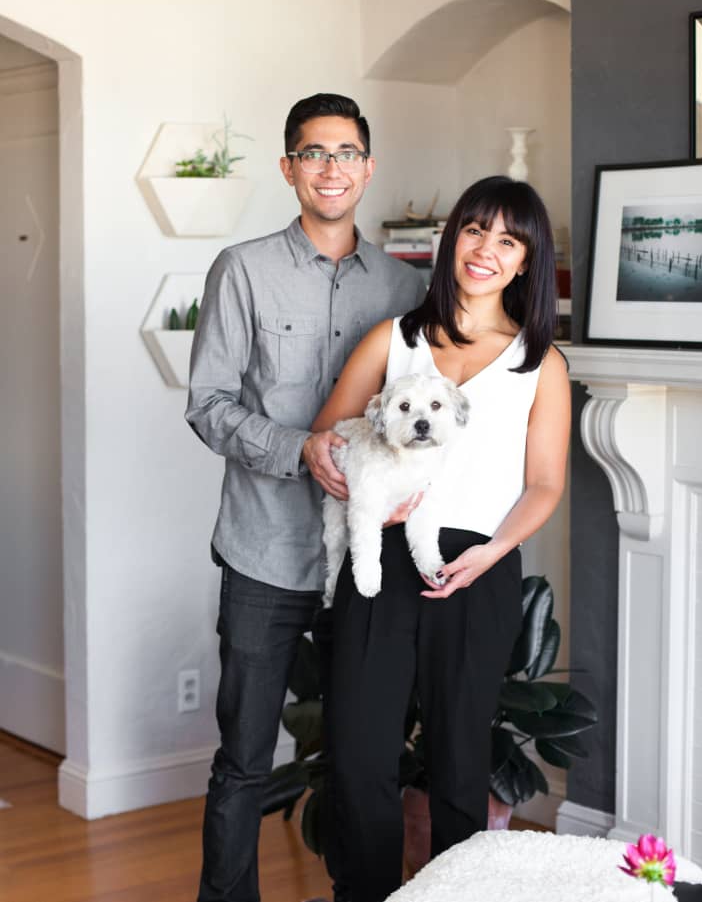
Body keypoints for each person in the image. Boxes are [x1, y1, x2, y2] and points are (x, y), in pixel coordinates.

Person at [185, 93, 425, 902]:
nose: (332, 168)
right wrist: (298, 450)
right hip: (263, 552)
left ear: (369, 166)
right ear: (289, 168)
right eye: (314, 153)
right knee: (245, 761)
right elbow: (208, 403)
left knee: (366, 763)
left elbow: (424, 410)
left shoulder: (403, 287)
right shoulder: (242, 270)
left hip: (364, 559)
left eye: (347, 152)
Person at [311, 175, 571, 902]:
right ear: (451, 238)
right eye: (475, 229)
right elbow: (327, 439)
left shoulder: (539, 363)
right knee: (362, 755)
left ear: (526, 261)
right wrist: (359, 484)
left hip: (480, 567)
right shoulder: (393, 340)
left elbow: (545, 483)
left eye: (508, 239)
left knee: (460, 765)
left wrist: (491, 552)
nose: (486, 249)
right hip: (384, 566)